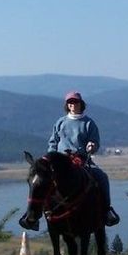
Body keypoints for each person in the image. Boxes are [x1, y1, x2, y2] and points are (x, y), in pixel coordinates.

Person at [48, 91, 120, 226]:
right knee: (40, 179)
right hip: (60, 160)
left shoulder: (88, 123)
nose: (72, 104)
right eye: (70, 102)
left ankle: (106, 210)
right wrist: (51, 158)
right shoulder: (60, 122)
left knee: (102, 177)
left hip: (81, 160)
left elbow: (95, 141)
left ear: (81, 104)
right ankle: (34, 214)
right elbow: (53, 142)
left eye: (75, 102)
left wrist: (92, 145)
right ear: (67, 105)